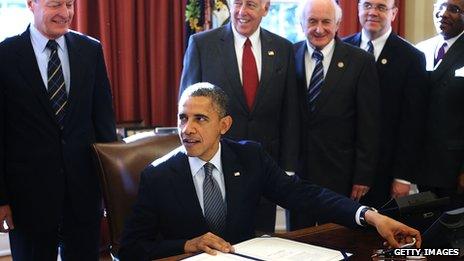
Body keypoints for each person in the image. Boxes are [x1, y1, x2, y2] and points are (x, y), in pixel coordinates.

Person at [119, 82, 421, 260]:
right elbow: (130, 249)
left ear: (224, 125)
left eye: (200, 119)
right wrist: (188, 244)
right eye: (182, 118)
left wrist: (371, 216)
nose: (187, 129)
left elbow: (304, 195)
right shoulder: (157, 176)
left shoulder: (250, 157)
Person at [0, 0, 117, 260]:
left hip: (83, 194)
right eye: (55, 5)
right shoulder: (5, 55)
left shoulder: (90, 50)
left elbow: (104, 126)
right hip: (27, 199)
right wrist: (1, 198)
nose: (65, 14)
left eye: (70, 4)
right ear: (32, 4)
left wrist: (110, 191)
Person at [179, 0, 300, 233]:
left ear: (266, 8)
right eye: (238, 3)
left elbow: (290, 113)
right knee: (217, 243)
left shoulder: (284, 48)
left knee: (264, 240)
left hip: (266, 166)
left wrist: (288, 166)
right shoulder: (202, 44)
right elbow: (187, 110)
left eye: (251, 5)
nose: (242, 11)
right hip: (215, 167)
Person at [289, 0, 380, 230]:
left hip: (341, 174)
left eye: (326, 22)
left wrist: (363, 175)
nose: (319, 29)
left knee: (336, 239)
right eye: (312, 21)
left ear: (338, 23)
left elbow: (369, 123)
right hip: (297, 173)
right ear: (301, 23)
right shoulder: (288, 56)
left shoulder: (360, 61)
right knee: (299, 238)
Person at [343, 0, 428, 208]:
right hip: (343, 167)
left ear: (394, 13)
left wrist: (403, 177)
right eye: (367, 5)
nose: (373, 12)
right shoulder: (341, 48)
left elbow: (412, 122)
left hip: (385, 172)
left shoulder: (412, 58)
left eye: (381, 7)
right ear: (358, 9)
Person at [416, 0, 464, 209]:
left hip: (454, 170)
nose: (444, 14)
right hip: (419, 166)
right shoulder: (419, 51)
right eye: (441, 6)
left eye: (454, 9)